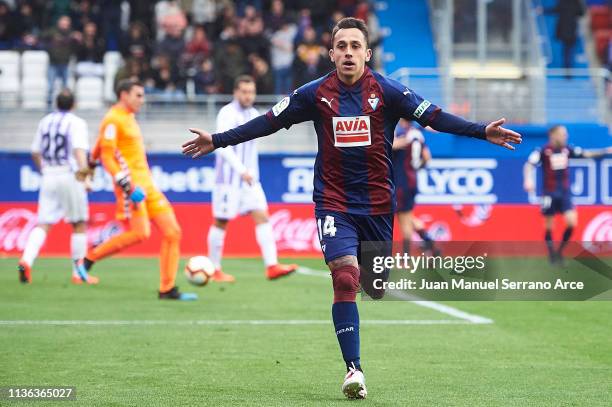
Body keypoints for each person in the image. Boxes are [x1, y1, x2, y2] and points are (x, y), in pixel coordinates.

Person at [182, 17, 521, 399]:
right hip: (333, 201)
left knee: (374, 288)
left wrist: (481, 130)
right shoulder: (313, 93)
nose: (348, 52)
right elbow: (268, 121)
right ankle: (353, 370)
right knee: (345, 278)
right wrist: (220, 140)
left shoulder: (390, 91)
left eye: (355, 46)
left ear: (367, 53)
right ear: (331, 53)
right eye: (341, 46)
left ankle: (367, 286)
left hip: (378, 205)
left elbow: (435, 117)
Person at [78, 79, 196, 301]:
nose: (142, 100)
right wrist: (126, 185)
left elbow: (98, 148)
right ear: (124, 95)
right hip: (131, 186)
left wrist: (90, 162)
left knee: (173, 232)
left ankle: (167, 289)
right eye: (138, 95)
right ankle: (89, 257)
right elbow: (107, 155)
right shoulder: (113, 119)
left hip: (148, 184)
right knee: (141, 233)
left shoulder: (128, 117)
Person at [206, 75, 298, 283]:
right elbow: (221, 148)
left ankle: (272, 266)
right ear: (236, 93)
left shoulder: (254, 113)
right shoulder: (227, 113)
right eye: (244, 92)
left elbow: (252, 149)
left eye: (251, 92)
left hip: (249, 180)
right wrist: (240, 170)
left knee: (262, 217)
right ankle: (214, 269)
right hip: (229, 179)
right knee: (221, 221)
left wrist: (251, 175)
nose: (248, 96)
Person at [18, 89, 96, 285]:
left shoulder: (45, 122)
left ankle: (26, 261)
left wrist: (44, 170)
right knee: (78, 223)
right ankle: (78, 273)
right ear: (74, 104)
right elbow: (79, 150)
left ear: (56, 103)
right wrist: (85, 177)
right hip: (69, 174)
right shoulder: (77, 123)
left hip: (49, 174)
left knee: (44, 223)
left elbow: (35, 152)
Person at [523, 125, 611, 264]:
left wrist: (606, 150)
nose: (566, 136)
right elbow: (529, 165)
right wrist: (528, 179)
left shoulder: (567, 150)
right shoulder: (542, 151)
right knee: (548, 226)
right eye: (563, 134)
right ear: (553, 135)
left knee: (571, 222)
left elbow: (586, 154)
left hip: (564, 193)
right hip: (549, 193)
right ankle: (552, 254)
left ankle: (560, 251)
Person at [392, 119, 438, 255]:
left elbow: (392, 145)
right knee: (407, 216)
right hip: (412, 180)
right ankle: (428, 240)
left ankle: (406, 256)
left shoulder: (402, 134)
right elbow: (427, 157)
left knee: (404, 219)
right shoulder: (417, 134)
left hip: (400, 181)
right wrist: (415, 167)